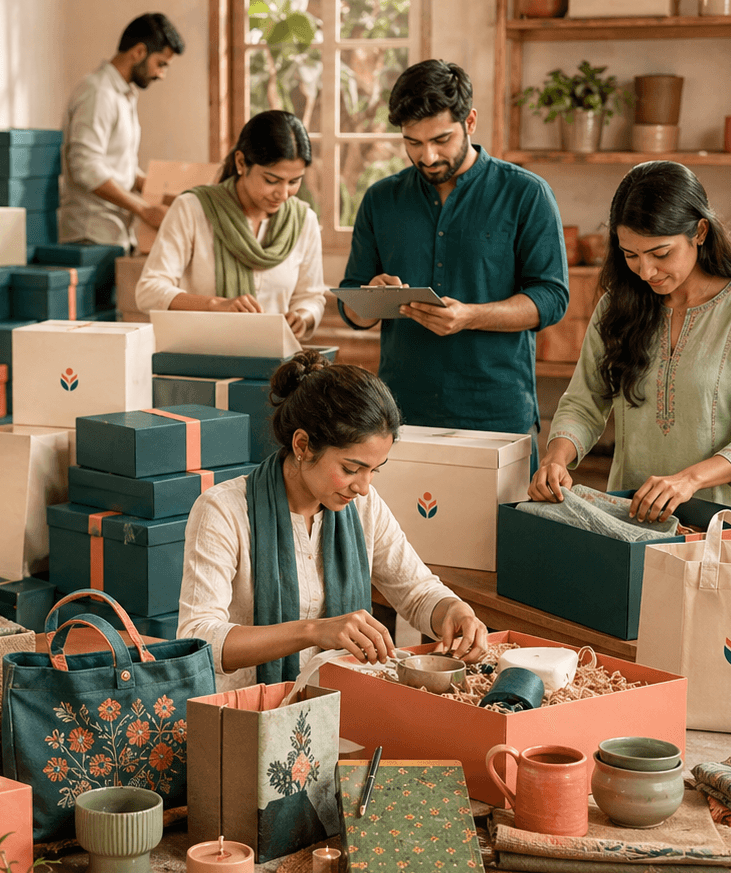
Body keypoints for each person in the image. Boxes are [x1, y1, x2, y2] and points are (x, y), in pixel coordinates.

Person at [177, 350, 490, 692]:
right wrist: (313, 630)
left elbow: (416, 592)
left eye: (374, 470)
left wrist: (454, 612)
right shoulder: (223, 510)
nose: (364, 487)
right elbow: (198, 638)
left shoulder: (363, 508)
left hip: (344, 707)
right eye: (350, 469)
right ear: (302, 445)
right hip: (250, 712)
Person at [339, 60, 568, 450]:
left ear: (470, 122)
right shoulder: (381, 199)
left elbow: (551, 299)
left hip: (498, 416)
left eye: (441, 140)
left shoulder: (526, 194)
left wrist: (471, 316)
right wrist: (373, 298)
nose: (427, 156)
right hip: (400, 415)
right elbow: (352, 305)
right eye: (413, 142)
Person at [531, 161, 731, 519]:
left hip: (723, 525)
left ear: (700, 232)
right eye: (631, 255)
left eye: (660, 253)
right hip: (632, 519)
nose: (646, 271)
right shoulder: (617, 305)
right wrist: (556, 457)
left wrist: (687, 480)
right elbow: (585, 402)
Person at [134, 109, 327, 338]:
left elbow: (311, 296)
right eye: (271, 180)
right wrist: (215, 305)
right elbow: (148, 291)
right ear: (241, 162)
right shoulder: (193, 209)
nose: (283, 194)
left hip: (276, 363)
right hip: (199, 357)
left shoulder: (304, 221)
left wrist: (303, 316)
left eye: (294, 181)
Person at [59, 12, 184, 249]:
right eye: (161, 64)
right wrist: (144, 209)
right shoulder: (98, 93)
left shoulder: (123, 95)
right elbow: (85, 167)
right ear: (138, 52)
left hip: (114, 234)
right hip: (90, 235)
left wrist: (155, 189)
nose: (161, 75)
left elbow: (117, 164)